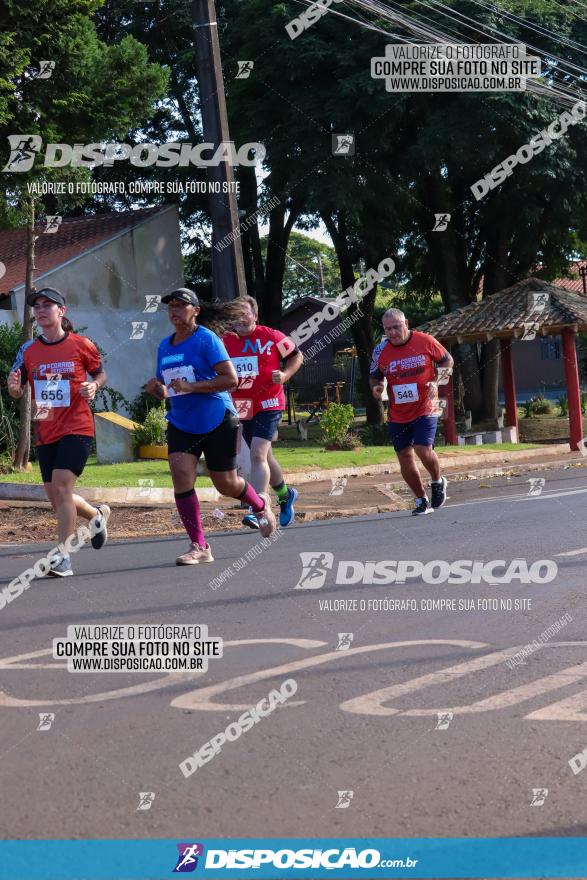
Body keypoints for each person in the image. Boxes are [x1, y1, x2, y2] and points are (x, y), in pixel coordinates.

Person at [145, 288, 276, 566]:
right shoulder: (165, 346)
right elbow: (168, 388)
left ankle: (261, 505)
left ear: (196, 311)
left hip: (217, 419)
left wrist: (192, 386)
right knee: (181, 474)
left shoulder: (207, 340)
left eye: (181, 305)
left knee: (226, 483)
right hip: (182, 422)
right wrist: (158, 389)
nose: (174, 310)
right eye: (171, 306)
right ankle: (199, 545)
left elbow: (231, 380)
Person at [7, 287, 111, 577]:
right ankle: (96, 516)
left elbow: (100, 372)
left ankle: (63, 557)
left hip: (77, 427)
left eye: (47, 305)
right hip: (46, 427)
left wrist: (95, 385)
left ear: (61, 311)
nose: (40, 310)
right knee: (57, 497)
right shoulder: (29, 350)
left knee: (63, 488)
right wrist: (15, 389)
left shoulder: (81, 345)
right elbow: (16, 384)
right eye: (37, 306)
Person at [223, 296, 304, 529]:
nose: (241, 318)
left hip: (269, 402)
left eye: (245, 313)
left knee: (257, 455)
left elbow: (297, 355)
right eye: (236, 314)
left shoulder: (271, 336)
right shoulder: (225, 341)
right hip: (242, 405)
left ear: (255, 316)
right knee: (265, 456)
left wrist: (286, 374)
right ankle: (286, 495)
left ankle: (257, 508)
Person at [369, 307, 454, 515]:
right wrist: (377, 387)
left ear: (406, 324)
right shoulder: (380, 350)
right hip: (398, 412)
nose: (392, 332)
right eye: (388, 329)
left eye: (396, 327)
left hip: (426, 405)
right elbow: (375, 375)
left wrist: (437, 382)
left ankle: (437, 481)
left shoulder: (424, 341)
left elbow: (447, 360)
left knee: (422, 448)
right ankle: (421, 500)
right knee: (404, 456)